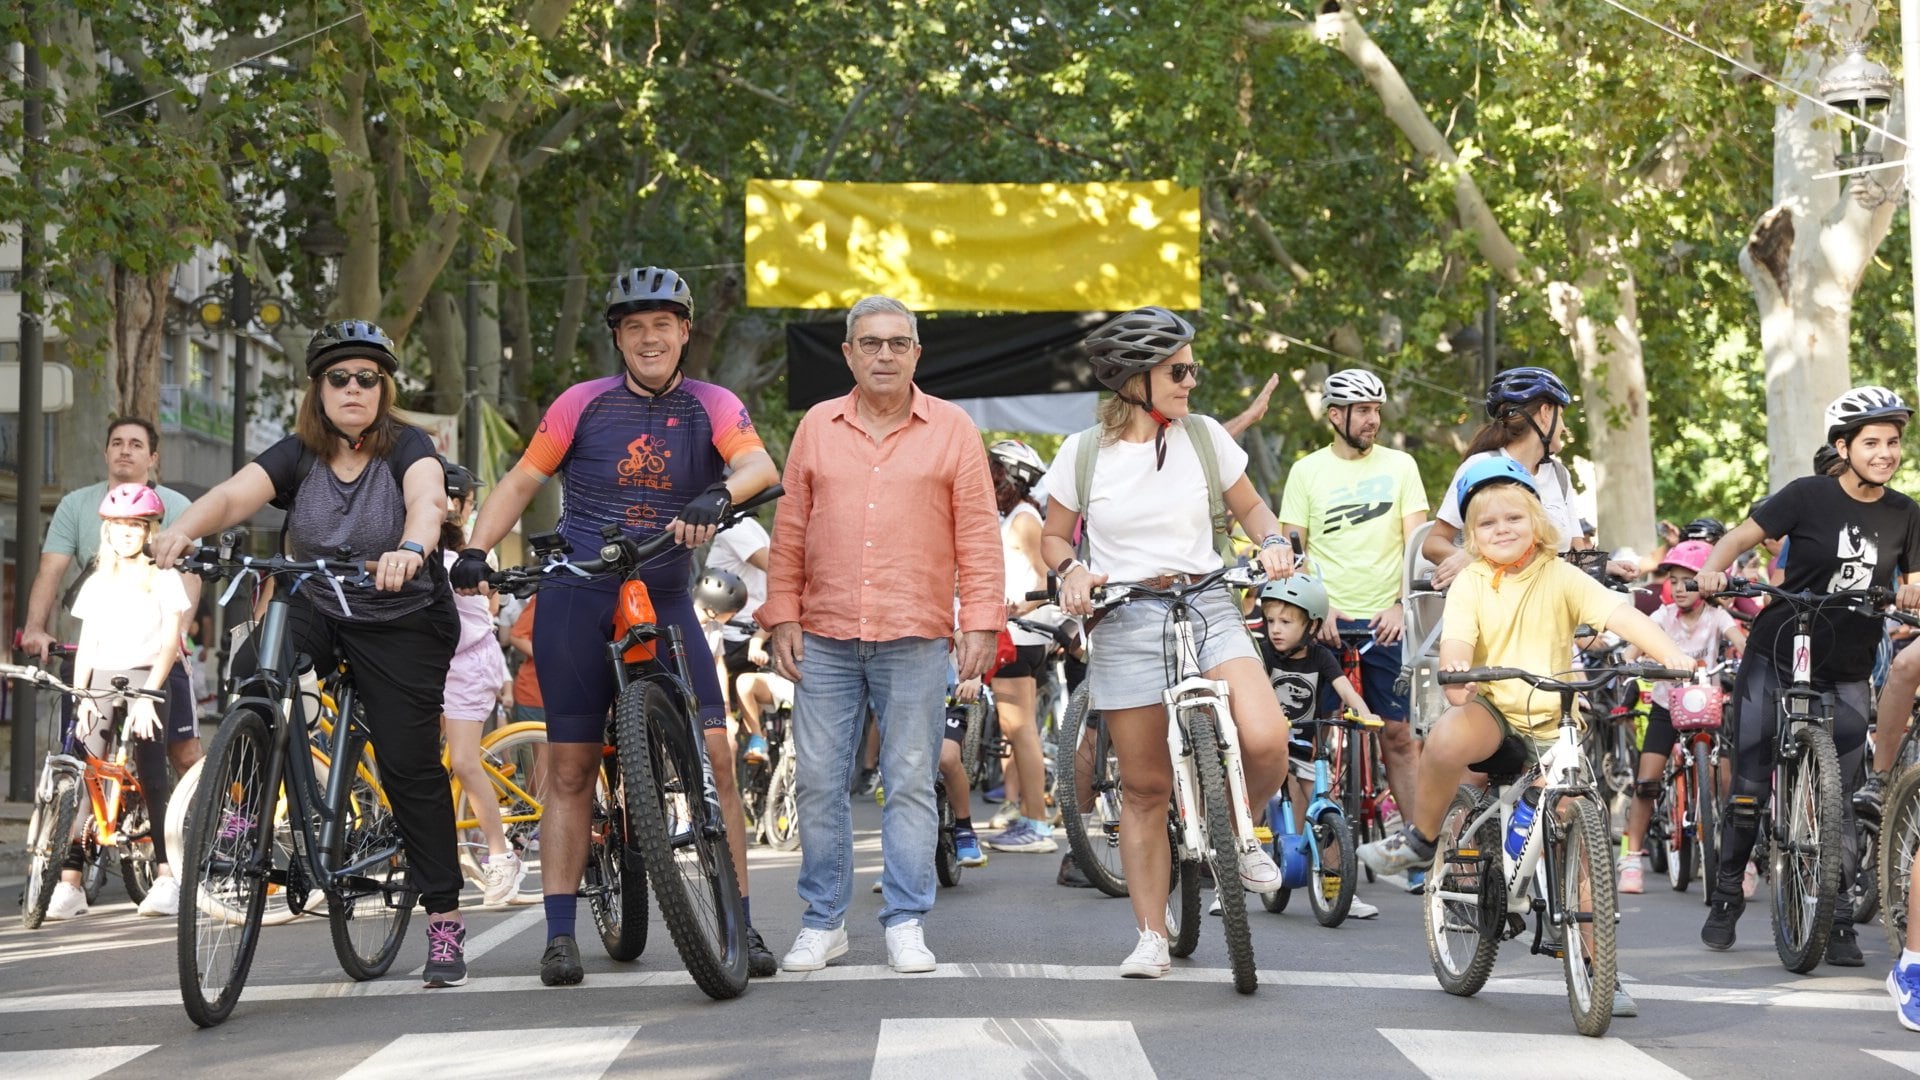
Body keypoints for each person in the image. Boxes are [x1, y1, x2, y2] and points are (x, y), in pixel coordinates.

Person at [450, 266, 780, 984]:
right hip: (577, 597)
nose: (649, 336)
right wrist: (474, 550)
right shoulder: (581, 404)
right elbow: (519, 482)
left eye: (663, 324)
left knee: (718, 759)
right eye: (634, 326)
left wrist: (713, 497)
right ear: (618, 339)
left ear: (685, 332)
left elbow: (758, 464)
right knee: (568, 769)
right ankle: (561, 934)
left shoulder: (712, 404)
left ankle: (739, 922)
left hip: (663, 602)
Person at [152, 319, 469, 988]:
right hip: (320, 601)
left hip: (401, 615)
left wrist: (412, 549)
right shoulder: (299, 452)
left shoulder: (408, 446)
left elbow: (425, 501)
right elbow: (235, 495)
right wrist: (181, 528)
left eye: (368, 378)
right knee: (253, 672)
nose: (354, 388)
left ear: (384, 389)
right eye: (339, 378)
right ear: (318, 389)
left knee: (409, 764)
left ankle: (443, 918)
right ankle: (247, 805)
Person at [1357, 457, 1690, 1016]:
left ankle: (1595, 963)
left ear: (1538, 521)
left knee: (1577, 838)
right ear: (1469, 536)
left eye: (1514, 517)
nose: (1503, 529)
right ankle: (1421, 837)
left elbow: (1624, 619)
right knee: (1445, 737)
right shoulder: (1470, 583)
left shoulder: (1562, 575)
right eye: (1487, 524)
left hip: (1556, 720)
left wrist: (1672, 654)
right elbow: (1459, 643)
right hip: (1496, 711)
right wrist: (1459, 674)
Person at [1039, 305, 1296, 980]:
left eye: (1191, 367)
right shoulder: (1084, 454)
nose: (1191, 380)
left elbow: (1252, 509)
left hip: (1207, 599)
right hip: (1125, 613)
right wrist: (1070, 571)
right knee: (1147, 789)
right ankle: (1152, 934)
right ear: (1132, 379)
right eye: (1178, 370)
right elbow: (1053, 535)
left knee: (1267, 737)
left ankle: (1238, 829)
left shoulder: (1206, 437)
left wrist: (1271, 542)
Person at [762, 294, 1003, 975]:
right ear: (848, 354)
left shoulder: (953, 429)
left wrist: (980, 621)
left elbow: (979, 536)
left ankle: (905, 919)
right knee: (817, 781)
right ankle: (823, 921)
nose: (885, 355)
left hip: (916, 634)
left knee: (910, 780)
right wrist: (781, 611)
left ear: (917, 354)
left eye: (898, 343)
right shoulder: (815, 426)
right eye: (871, 343)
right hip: (827, 633)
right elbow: (791, 532)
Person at [1694, 386, 1920, 966]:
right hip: (1777, 653)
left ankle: (1838, 916)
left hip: (1846, 667)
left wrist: (1915, 588)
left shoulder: (1906, 514)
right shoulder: (1806, 495)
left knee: (1840, 796)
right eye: (1872, 442)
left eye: (1893, 442)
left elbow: (1915, 576)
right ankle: (1726, 899)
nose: (1886, 452)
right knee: (1748, 785)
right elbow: (1737, 541)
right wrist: (1715, 572)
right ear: (1842, 447)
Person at [1276, 367, 1428, 856]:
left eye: (1376, 410)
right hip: (1325, 623)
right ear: (1335, 415)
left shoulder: (1402, 466)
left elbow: (1418, 547)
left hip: (1387, 620)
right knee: (1309, 737)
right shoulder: (1306, 472)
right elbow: (1293, 553)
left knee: (1401, 737)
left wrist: (1401, 605)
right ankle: (1304, 851)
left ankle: (1417, 853)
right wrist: (1320, 608)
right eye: (1363, 411)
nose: (1372, 420)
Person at [41, 485, 193, 920]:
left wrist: (148, 696)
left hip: (149, 674)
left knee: (151, 771)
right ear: (106, 531)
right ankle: (70, 882)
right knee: (89, 768)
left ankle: (167, 873)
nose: (126, 533)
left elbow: (170, 643)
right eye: (118, 526)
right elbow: (87, 642)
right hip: (103, 676)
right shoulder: (98, 580)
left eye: (135, 526)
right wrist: (83, 695)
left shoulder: (163, 576)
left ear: (149, 530)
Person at [21, 418, 203, 776]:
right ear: (105, 452)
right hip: (99, 653)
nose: (125, 449)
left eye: (136, 444)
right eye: (117, 442)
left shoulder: (177, 505)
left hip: (156, 657)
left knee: (184, 753)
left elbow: (190, 575)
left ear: (152, 457)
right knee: (81, 751)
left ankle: (221, 824)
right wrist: (35, 628)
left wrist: (180, 632)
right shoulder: (75, 505)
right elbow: (51, 569)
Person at [1422, 366, 1634, 588]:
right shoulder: (1482, 467)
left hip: (1554, 603)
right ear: (1545, 413)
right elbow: (1433, 544)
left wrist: (1606, 566)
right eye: (1561, 416)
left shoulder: (1559, 475)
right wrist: (1476, 560)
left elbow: (1574, 555)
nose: (1563, 428)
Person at [1616, 540, 1746, 894]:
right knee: (1647, 783)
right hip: (1665, 707)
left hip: (1707, 707)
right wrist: (1630, 658)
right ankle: (1632, 857)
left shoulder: (1717, 616)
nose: (1679, 587)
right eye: (1672, 580)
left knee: (1726, 779)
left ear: (1705, 583)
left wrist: (1748, 659)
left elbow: (1739, 641)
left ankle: (1741, 859)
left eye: (1688, 580)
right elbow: (1635, 643)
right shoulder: (1661, 617)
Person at [1254, 571, 1380, 920]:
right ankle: (1230, 884)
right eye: (1270, 620)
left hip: (1306, 746)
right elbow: (1260, 691)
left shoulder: (1322, 657)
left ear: (1311, 626)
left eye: (1286, 621)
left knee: (1327, 808)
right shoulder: (1264, 653)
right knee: (1253, 805)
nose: (1275, 629)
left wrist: (1365, 715)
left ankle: (1338, 890)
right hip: (1270, 742)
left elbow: (1346, 691)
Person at [437, 461, 526, 906]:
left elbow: (486, 615)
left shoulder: (468, 558)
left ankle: (500, 855)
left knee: (465, 761)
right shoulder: (421, 549)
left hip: (467, 666)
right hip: (433, 667)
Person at [982, 438, 1063, 856]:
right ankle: (1032, 818)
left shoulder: (1024, 518)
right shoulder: (1014, 515)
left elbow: (1050, 578)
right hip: (1016, 634)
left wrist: (1017, 604)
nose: (989, 477)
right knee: (1020, 731)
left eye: (995, 470)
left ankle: (1036, 824)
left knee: (1021, 731)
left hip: (1020, 635)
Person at [706, 513, 775, 764]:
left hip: (740, 630)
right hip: (756, 627)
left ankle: (753, 735)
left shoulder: (731, 527)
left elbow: (774, 566)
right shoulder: (753, 525)